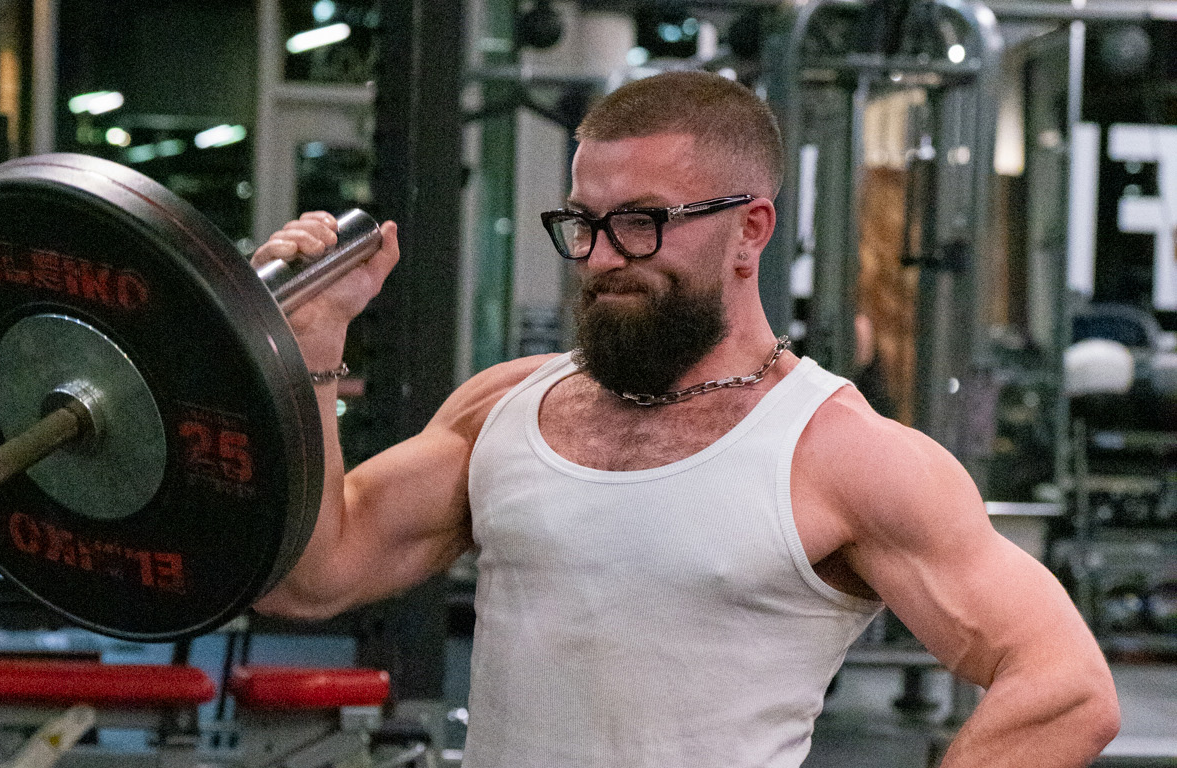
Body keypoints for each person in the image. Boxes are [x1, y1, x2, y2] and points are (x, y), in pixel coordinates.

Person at [250, 71, 1119, 768]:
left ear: (749, 230)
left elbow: (1065, 689)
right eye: (584, 223)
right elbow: (313, 576)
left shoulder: (840, 453)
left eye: (640, 223)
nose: (601, 256)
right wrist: (316, 340)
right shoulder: (501, 409)